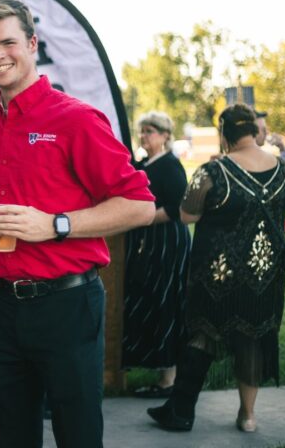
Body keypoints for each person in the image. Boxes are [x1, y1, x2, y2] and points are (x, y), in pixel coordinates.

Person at [0, 0, 155, 448]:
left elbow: (139, 205)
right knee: (7, 433)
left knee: (78, 432)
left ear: (32, 44)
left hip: (67, 302)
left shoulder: (76, 119)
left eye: (8, 42)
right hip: (2, 304)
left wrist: (55, 225)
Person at [148, 104, 285, 434]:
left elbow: (186, 214)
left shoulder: (214, 172)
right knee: (253, 340)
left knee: (203, 334)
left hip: (218, 273)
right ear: (255, 132)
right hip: (265, 274)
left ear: (224, 134)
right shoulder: (284, 171)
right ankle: (248, 416)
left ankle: (181, 411)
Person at [123, 111, 192, 398]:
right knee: (145, 298)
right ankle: (143, 361)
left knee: (166, 300)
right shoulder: (141, 164)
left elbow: (178, 207)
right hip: (145, 242)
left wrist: (144, 217)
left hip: (166, 242)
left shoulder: (171, 167)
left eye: (150, 131)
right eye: (142, 131)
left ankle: (169, 378)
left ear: (165, 135)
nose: (144, 136)